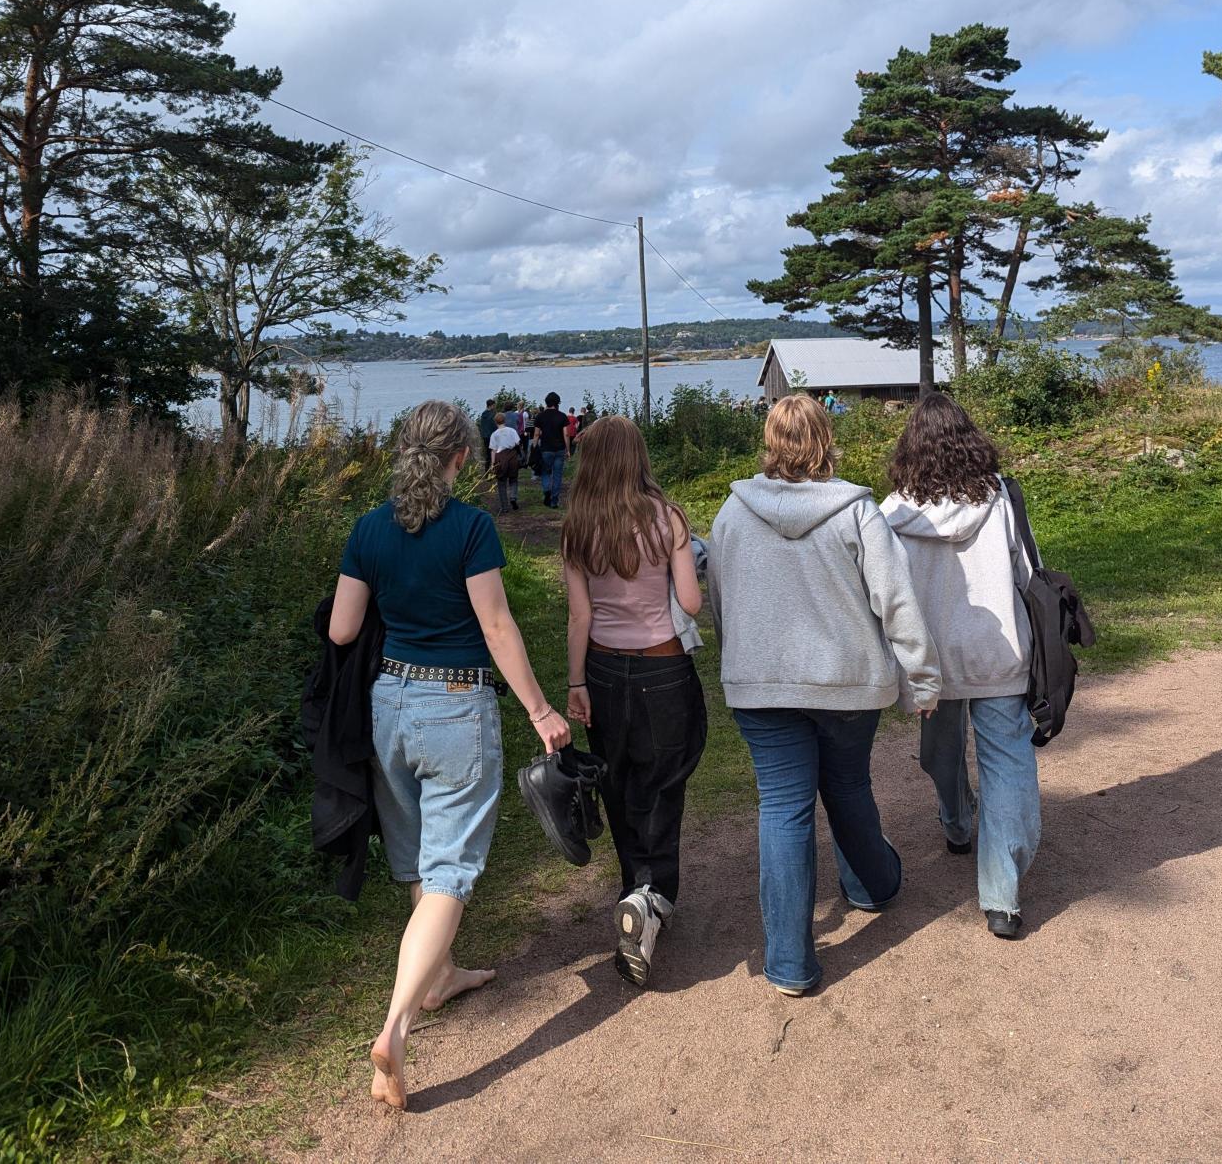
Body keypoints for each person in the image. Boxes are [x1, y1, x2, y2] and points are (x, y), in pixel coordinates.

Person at [327, 401, 571, 1109]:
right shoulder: (470, 527)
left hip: (389, 707)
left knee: (417, 857)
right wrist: (540, 708)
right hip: (455, 705)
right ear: (462, 457)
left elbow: (343, 629)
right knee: (449, 872)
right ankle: (395, 1026)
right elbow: (496, 623)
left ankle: (439, 976)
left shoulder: (369, 528)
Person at [708, 393, 940, 996]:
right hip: (846, 682)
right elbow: (897, 601)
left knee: (783, 808)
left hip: (760, 685)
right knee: (847, 787)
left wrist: (741, 657)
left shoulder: (732, 515)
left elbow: (719, 601)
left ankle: (789, 961)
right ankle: (873, 884)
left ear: (769, 440)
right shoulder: (856, 512)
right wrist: (922, 678)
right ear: (824, 439)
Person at [881, 392, 1039, 941]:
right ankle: (1002, 895)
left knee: (941, 754)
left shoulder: (892, 513)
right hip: (999, 652)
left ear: (911, 449)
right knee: (1007, 763)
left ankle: (955, 822)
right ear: (971, 441)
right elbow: (1026, 573)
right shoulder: (999, 497)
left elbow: (884, 592)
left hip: (930, 660)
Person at [561, 416, 706, 986]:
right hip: (663, 666)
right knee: (665, 778)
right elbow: (690, 603)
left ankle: (633, 888)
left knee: (618, 781)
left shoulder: (577, 526)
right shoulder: (666, 517)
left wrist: (575, 684)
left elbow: (580, 616)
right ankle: (652, 897)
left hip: (601, 668)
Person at [532, 390, 570, 508]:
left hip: (546, 449)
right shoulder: (562, 416)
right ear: (557, 403)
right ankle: (554, 501)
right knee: (558, 475)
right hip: (559, 449)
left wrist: (534, 447)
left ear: (546, 402)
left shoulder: (540, 416)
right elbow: (566, 434)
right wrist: (568, 449)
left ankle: (547, 489)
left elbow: (537, 434)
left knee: (545, 472)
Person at [489, 411, 522, 512]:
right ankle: (513, 497)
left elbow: (493, 450)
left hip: (500, 457)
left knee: (501, 482)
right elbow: (518, 442)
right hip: (512, 455)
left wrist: (492, 463)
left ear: (495, 422)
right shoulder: (511, 431)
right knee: (513, 479)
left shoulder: (494, 434)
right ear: (505, 420)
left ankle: (504, 506)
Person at [477, 399, 498, 471]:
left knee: (488, 454)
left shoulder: (483, 414)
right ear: (492, 405)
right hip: (492, 436)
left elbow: (482, 425)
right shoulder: (493, 414)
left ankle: (487, 470)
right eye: (494, 405)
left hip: (485, 436)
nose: (495, 407)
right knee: (494, 452)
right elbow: (494, 425)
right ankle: (494, 469)